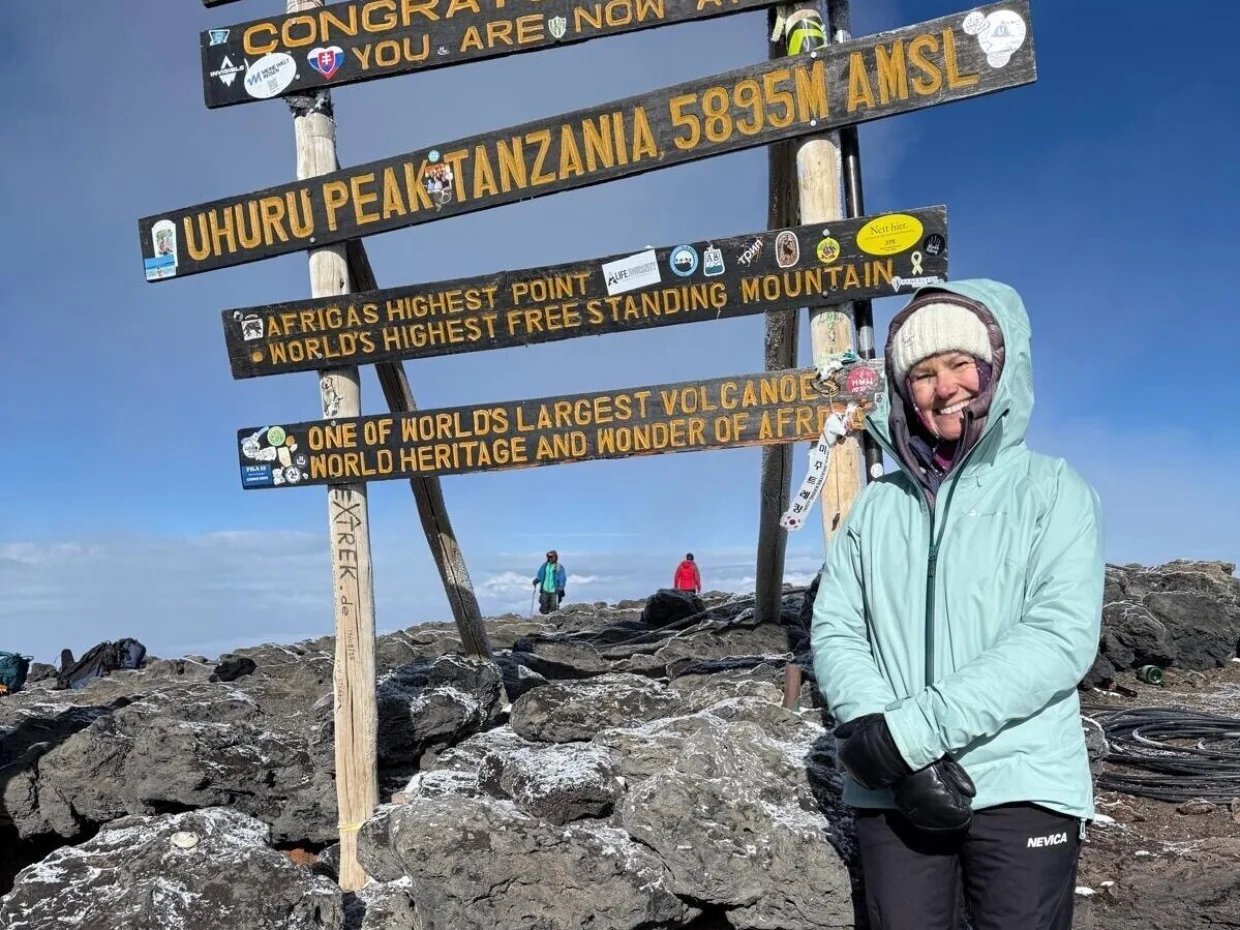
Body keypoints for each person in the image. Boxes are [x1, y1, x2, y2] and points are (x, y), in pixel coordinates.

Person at [809, 280, 1103, 930]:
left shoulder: (1054, 492)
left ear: (997, 367)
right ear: (900, 390)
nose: (945, 388)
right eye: (922, 373)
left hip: (1021, 781)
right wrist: (876, 735)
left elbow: (1058, 638)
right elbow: (836, 628)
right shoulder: (875, 507)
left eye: (960, 364)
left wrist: (911, 735)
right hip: (892, 790)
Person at [532, 550, 566, 614]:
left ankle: (553, 621)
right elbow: (540, 574)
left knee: (554, 608)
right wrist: (537, 580)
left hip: (554, 591)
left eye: (551, 557)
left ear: (555, 557)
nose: (550, 558)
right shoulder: (544, 566)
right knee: (543, 606)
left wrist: (561, 587)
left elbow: (562, 577)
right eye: (549, 557)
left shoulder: (559, 567)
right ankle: (545, 620)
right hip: (545, 589)